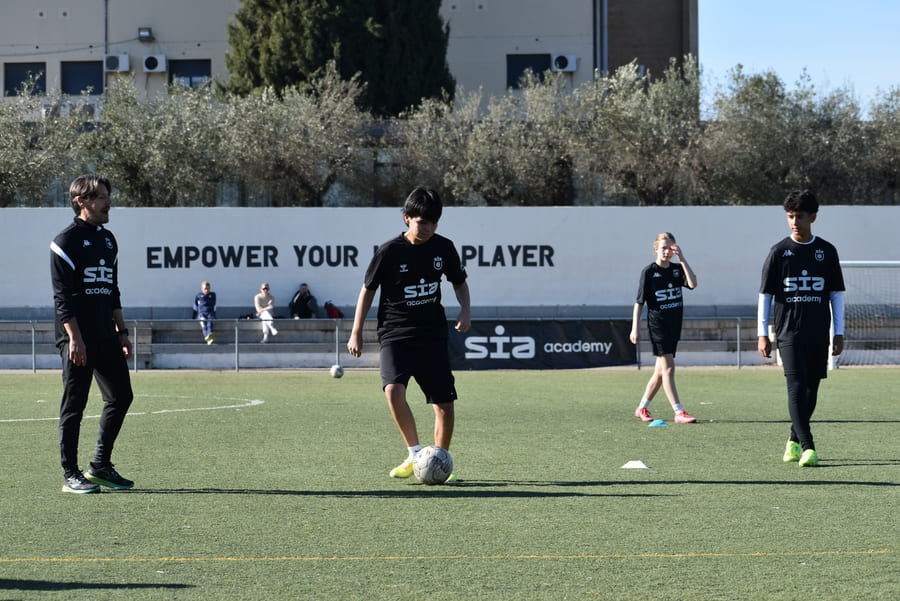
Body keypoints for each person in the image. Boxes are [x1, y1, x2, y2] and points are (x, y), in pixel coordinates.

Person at [347, 187, 471, 480]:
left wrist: (465, 310)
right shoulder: (389, 251)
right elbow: (367, 291)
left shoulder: (444, 248)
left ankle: (440, 461)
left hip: (432, 334)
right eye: (421, 222)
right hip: (395, 332)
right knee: (393, 390)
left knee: (443, 403)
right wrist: (356, 332)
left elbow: (459, 282)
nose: (427, 228)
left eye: (432, 222)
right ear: (406, 219)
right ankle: (416, 454)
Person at [50, 175, 135, 494]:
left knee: (121, 396)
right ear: (81, 201)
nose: (107, 201)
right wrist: (74, 338)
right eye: (100, 197)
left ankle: (100, 465)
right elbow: (62, 297)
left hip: (106, 335)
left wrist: (122, 331)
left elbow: (111, 290)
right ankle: (70, 473)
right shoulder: (65, 242)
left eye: (108, 195)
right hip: (77, 338)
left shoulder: (108, 239)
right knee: (75, 404)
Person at [758, 189, 844, 467]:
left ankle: (793, 441)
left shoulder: (827, 251)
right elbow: (766, 295)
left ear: (813, 217)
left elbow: (836, 295)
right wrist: (762, 332)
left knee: (811, 389)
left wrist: (839, 331)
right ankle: (809, 447)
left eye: (800, 216)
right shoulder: (779, 252)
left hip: (819, 331)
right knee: (795, 386)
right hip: (788, 333)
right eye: (790, 217)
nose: (794, 222)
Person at [630, 232, 698, 424]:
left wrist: (682, 259)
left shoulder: (677, 269)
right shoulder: (649, 272)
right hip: (657, 325)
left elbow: (693, 284)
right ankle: (679, 411)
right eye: (663, 248)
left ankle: (642, 408)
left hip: (674, 325)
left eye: (670, 248)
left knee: (660, 372)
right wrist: (635, 328)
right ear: (655, 249)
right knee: (669, 368)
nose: (667, 252)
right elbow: (639, 302)